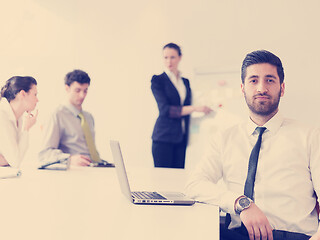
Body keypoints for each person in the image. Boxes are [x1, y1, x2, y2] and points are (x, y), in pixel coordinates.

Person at [185, 50, 320, 240]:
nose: (261, 88)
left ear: (282, 88)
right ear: (242, 88)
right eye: (254, 80)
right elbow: (195, 185)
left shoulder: (310, 136)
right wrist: (240, 202)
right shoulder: (224, 138)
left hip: (293, 236)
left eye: (270, 80)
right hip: (237, 235)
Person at [151, 43, 212, 168]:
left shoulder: (185, 82)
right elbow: (166, 110)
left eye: (172, 57)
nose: (169, 61)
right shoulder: (158, 80)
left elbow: (189, 104)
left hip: (181, 138)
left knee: (178, 181)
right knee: (162, 181)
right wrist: (195, 108)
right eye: (165, 57)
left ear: (180, 57)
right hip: (163, 138)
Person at [38, 69, 109, 167]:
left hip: (94, 167)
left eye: (85, 91)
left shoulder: (88, 117)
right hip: (74, 171)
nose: (82, 95)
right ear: (67, 88)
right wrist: (69, 159)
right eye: (77, 90)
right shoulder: (56, 115)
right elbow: (45, 154)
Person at [0, 76, 39, 168]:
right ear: (23, 94)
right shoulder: (2, 115)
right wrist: (26, 129)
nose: (37, 100)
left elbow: (15, 158)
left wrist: (6, 160)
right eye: (35, 95)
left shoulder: (18, 118)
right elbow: (15, 161)